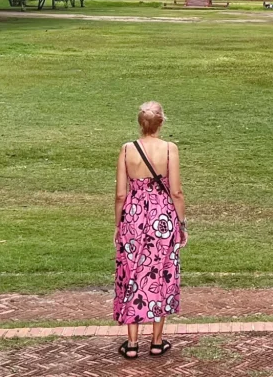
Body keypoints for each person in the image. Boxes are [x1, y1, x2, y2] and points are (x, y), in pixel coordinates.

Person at [113, 101, 187, 359]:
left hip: (133, 218)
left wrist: (118, 224)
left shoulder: (126, 149)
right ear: (161, 122)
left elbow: (120, 194)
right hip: (162, 218)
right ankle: (156, 341)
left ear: (140, 123)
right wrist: (181, 224)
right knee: (161, 273)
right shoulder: (169, 149)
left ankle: (132, 343)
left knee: (132, 273)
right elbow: (176, 192)